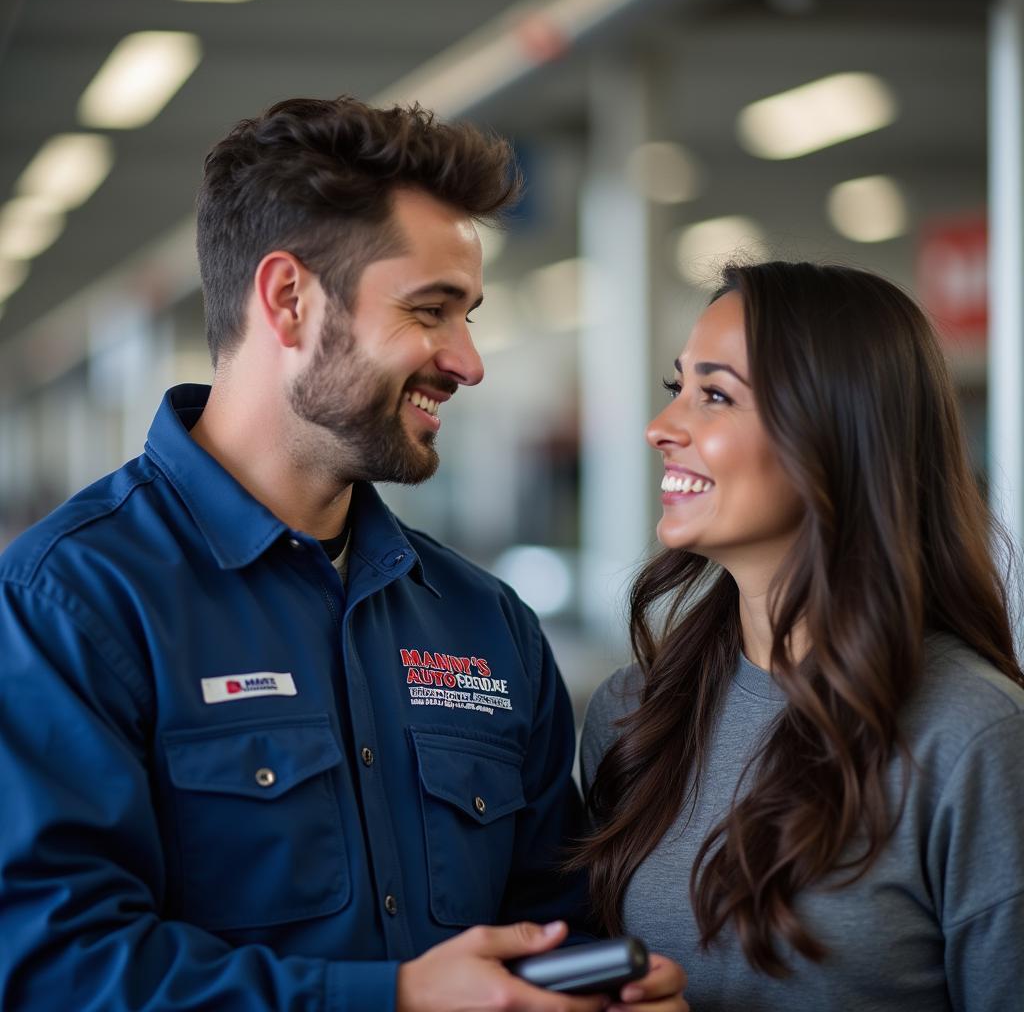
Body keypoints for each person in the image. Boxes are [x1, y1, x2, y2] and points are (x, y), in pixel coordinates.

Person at [0, 96, 687, 1012]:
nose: (469, 361)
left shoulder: (486, 623)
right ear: (290, 298)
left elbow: (553, 921)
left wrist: (606, 987)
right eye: (431, 310)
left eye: (470, 314)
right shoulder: (72, 603)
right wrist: (390, 998)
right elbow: (53, 969)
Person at [572, 261, 1024, 1012]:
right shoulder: (634, 715)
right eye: (674, 389)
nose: (661, 428)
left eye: (714, 396)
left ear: (835, 434)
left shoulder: (971, 736)